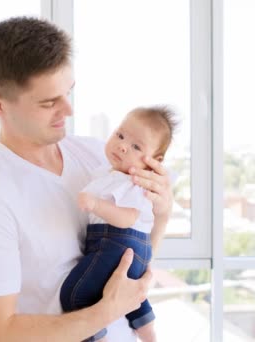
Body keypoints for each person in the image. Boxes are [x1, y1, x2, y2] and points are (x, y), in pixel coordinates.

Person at [0, 16, 174, 341]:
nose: (68, 109)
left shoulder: (100, 157)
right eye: (48, 102)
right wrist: (106, 311)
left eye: (68, 92)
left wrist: (162, 214)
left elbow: (131, 261)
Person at [60, 106, 178, 342]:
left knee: (75, 295)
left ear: (155, 160)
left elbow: (128, 218)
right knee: (134, 296)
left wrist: (95, 204)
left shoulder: (133, 181)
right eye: (120, 135)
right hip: (132, 248)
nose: (122, 146)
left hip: (115, 243)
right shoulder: (111, 173)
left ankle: (98, 337)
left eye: (136, 147)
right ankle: (148, 333)